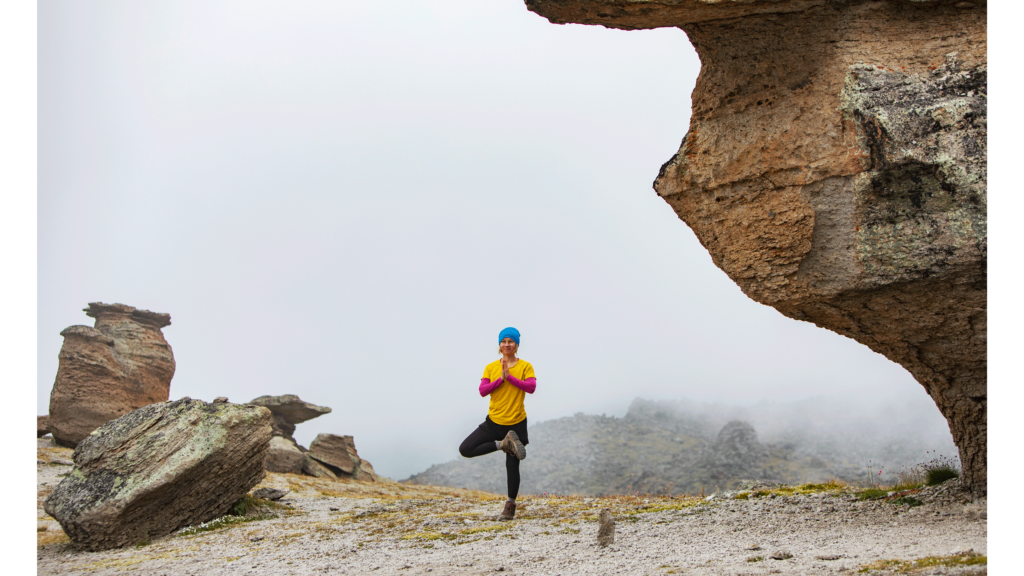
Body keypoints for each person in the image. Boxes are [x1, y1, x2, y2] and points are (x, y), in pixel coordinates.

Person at [458, 326, 536, 520]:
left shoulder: (525, 366)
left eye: (511, 341)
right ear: (499, 345)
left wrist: (510, 377)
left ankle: (510, 506)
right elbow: (483, 391)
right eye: (504, 341)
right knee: (465, 448)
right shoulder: (491, 367)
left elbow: (531, 387)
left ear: (516, 345)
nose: (507, 344)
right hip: (494, 421)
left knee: (512, 464)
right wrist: (501, 380)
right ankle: (502, 444)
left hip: (516, 423)